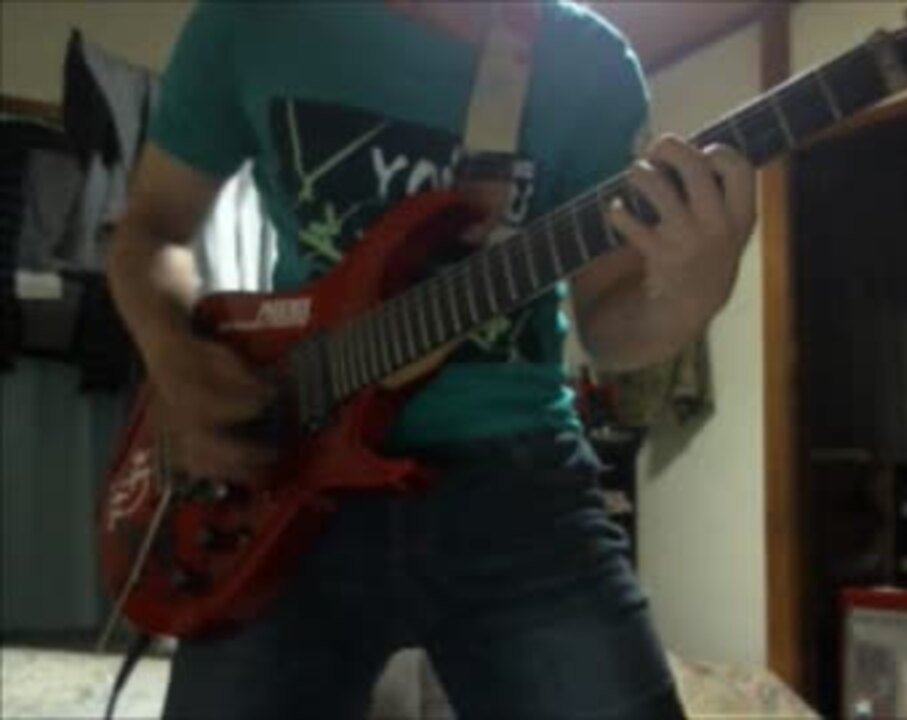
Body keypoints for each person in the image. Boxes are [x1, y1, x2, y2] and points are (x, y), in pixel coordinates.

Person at [106, 1, 756, 718]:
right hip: (289, 469)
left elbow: (609, 327)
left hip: (520, 482)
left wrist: (692, 293)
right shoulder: (250, 21)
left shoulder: (589, 62)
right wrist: (173, 354)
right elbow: (149, 234)